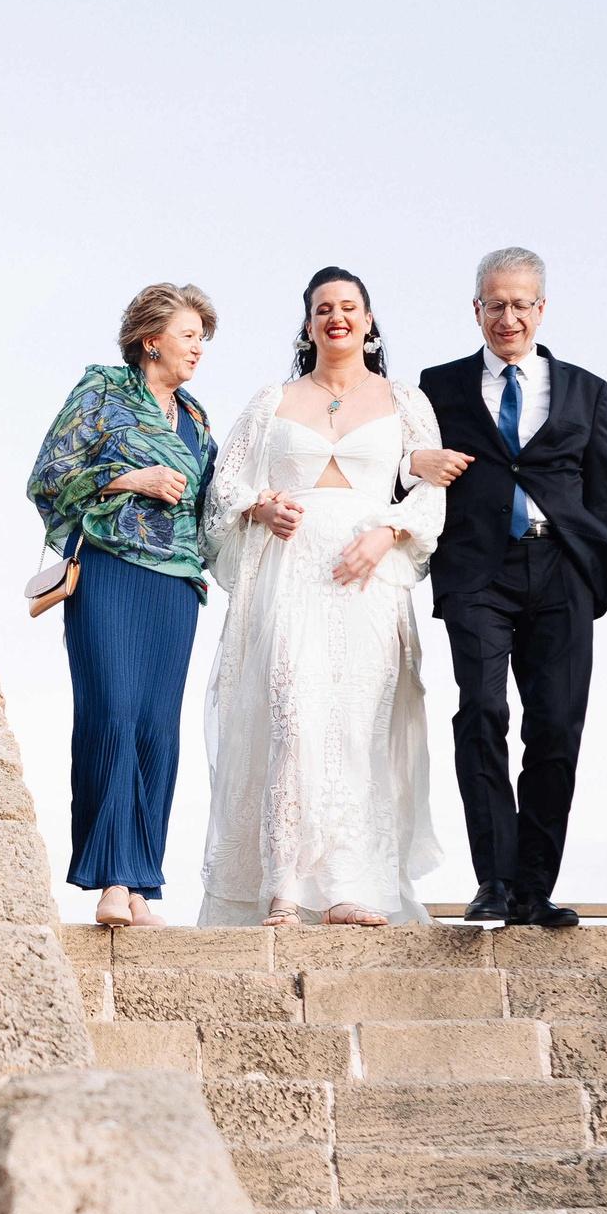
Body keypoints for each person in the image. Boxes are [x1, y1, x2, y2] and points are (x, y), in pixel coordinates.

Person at [197, 267, 469, 927]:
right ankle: (285, 884)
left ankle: (351, 886)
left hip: (368, 576)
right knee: (293, 714)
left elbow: (431, 488)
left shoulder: (404, 400)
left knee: (355, 723)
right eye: (323, 308)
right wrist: (261, 506)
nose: (336, 317)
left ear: (369, 322)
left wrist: (389, 531)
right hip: (290, 573)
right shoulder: (273, 400)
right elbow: (224, 485)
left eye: (349, 307)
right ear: (309, 323)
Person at [416, 247, 607, 930]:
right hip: (476, 572)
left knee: (555, 727)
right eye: (495, 304)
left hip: (563, 571)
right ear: (476, 309)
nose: (507, 317)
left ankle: (533, 890)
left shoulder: (584, 389)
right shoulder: (437, 386)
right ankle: (493, 878)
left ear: (541, 308)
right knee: (482, 712)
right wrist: (415, 463)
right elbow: (406, 469)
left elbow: (606, 492)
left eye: (520, 304)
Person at [27, 283, 219, 928]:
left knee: (158, 730)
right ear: (150, 340)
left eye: (202, 338)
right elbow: (47, 476)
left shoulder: (196, 419)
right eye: (188, 335)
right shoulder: (103, 390)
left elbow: (211, 504)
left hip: (177, 584)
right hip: (109, 570)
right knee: (112, 713)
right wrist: (129, 478)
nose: (198, 347)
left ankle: (141, 885)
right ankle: (110, 877)